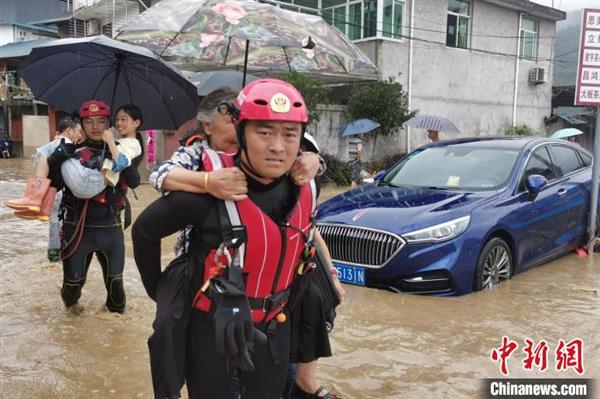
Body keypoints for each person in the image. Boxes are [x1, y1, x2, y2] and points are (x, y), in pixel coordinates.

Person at [133, 79, 328, 398]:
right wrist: (159, 290)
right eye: (264, 133)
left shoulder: (305, 183)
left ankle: (308, 377)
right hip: (212, 326)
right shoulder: (211, 189)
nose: (278, 146)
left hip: (275, 322)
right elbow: (144, 232)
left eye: (289, 135)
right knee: (169, 329)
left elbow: (307, 234)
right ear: (241, 134)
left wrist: (317, 160)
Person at [49, 99, 141, 313]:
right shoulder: (72, 152)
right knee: (71, 288)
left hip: (110, 225)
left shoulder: (123, 150)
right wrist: (55, 162)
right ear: (81, 124)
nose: (96, 126)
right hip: (77, 226)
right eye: (89, 121)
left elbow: (135, 181)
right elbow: (54, 185)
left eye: (101, 121)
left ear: (108, 124)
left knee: (117, 292)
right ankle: (73, 328)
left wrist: (113, 148)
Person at [101, 104, 143, 187]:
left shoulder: (134, 144)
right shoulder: (120, 142)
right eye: (117, 119)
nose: (119, 123)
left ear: (136, 123)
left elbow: (121, 163)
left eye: (123, 119)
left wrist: (110, 142)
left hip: (106, 185)